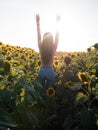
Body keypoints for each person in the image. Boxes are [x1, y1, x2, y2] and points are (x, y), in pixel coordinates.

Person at [36, 14, 60, 88]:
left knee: (40, 91)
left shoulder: (41, 47)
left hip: (42, 70)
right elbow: (57, 36)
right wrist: (58, 22)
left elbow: (39, 35)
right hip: (50, 71)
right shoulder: (53, 47)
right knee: (49, 91)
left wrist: (38, 22)